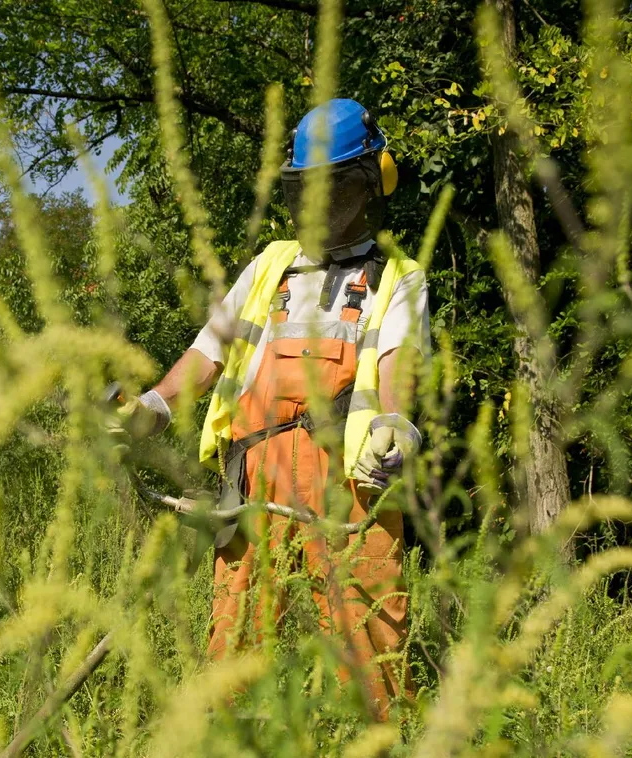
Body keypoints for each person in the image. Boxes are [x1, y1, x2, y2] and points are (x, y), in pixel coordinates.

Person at [110, 99, 430, 718]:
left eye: (333, 188)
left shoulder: (397, 278)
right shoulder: (267, 267)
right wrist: (152, 405)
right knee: (235, 644)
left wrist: (395, 424)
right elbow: (208, 352)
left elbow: (398, 365)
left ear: (369, 185)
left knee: (370, 650)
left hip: (347, 483)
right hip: (254, 475)